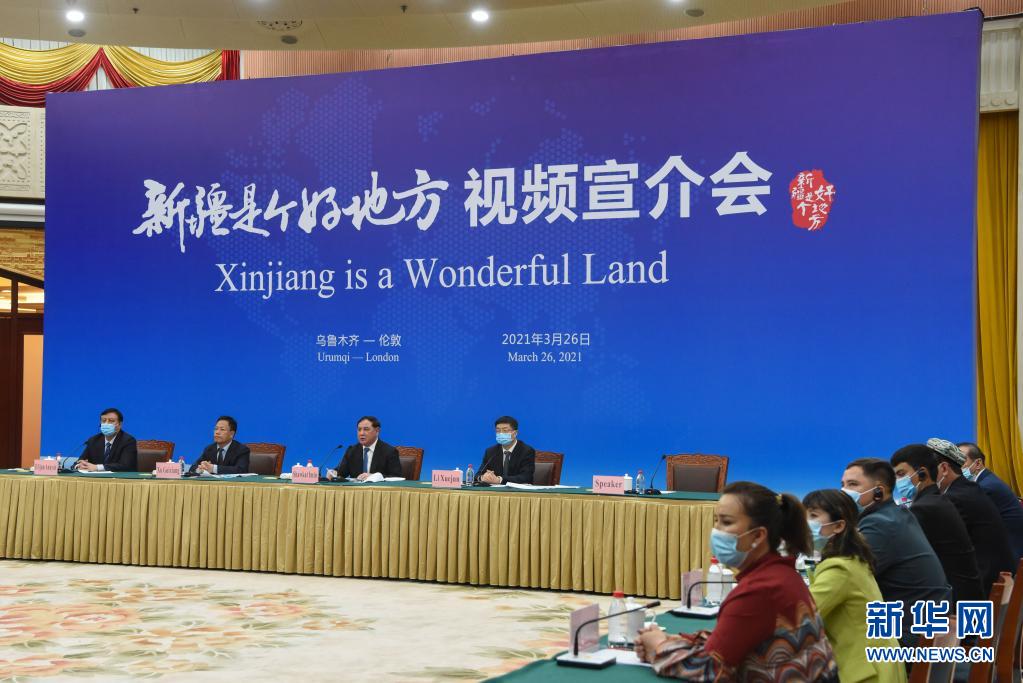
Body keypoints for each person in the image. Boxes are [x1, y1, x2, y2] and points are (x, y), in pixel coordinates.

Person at [634, 481, 838, 681]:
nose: (716, 530)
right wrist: (676, 642)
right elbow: (738, 641)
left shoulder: (758, 590)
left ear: (757, 536)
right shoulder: (783, 574)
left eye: (726, 522)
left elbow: (711, 669)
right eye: (716, 520)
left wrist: (658, 647)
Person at [802, 488, 906, 683]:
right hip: (881, 666)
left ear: (839, 526)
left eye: (813, 515)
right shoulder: (853, 560)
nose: (804, 523)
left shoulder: (839, 568)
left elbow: (800, 617)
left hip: (865, 674)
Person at [841, 458, 948, 642]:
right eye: (843, 485)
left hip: (905, 637)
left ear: (878, 491)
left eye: (853, 484)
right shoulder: (896, 513)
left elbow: (844, 581)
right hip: (921, 627)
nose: (844, 492)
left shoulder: (880, 524)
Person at [889, 445, 984, 604]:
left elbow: (896, 555)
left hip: (954, 604)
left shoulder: (924, 508)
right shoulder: (936, 500)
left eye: (901, 474)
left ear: (922, 473)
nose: (898, 482)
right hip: (965, 594)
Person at [926, 438, 1015, 591]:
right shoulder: (969, 489)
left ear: (944, 468)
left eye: (926, 472)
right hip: (994, 574)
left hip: (982, 585)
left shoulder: (956, 498)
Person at [958, 441, 1023, 560]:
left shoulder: (986, 487)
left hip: (1008, 554)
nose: (957, 467)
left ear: (978, 463)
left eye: (962, 461)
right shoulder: (986, 480)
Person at [333, 416, 402, 480]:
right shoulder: (352, 450)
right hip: (356, 488)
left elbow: (397, 477)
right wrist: (334, 473)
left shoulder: (389, 451)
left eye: (366, 429)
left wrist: (374, 476)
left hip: (377, 488)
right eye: (359, 430)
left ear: (377, 431)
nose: (361, 433)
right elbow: (341, 473)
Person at [476, 416, 535, 485]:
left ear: (515, 433)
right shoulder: (490, 451)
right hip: (495, 490)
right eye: (498, 431)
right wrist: (483, 477)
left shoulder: (526, 451)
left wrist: (499, 480)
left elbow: (526, 477)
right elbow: (478, 474)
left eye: (505, 430)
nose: (501, 434)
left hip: (518, 490)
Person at [75, 407, 138, 472]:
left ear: (120, 424)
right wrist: (79, 465)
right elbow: (80, 461)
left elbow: (125, 465)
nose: (106, 423)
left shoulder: (128, 441)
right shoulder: (94, 440)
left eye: (111, 421)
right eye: (104, 421)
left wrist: (97, 467)